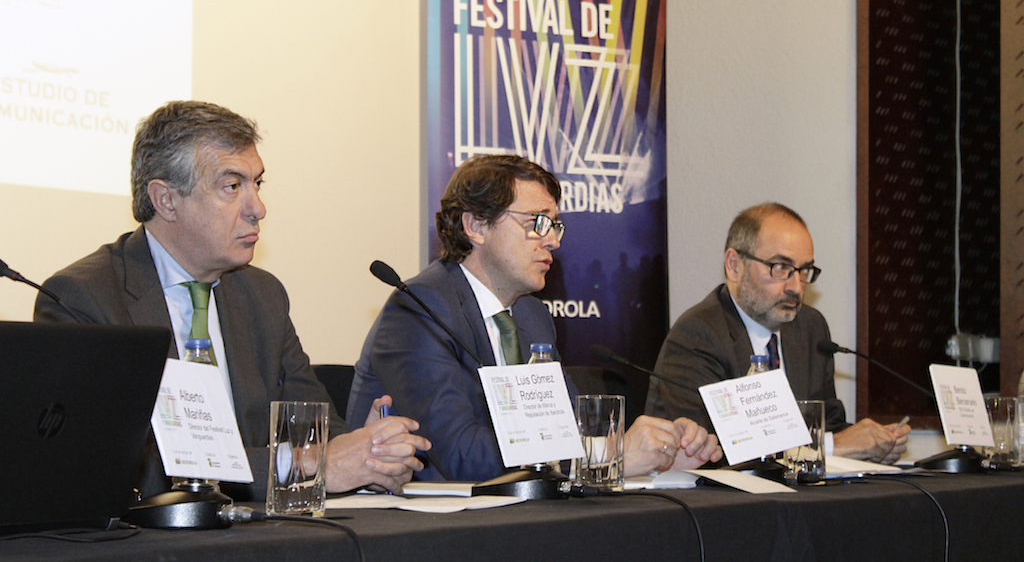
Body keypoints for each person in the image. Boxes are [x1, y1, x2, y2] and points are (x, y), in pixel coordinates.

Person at [34, 100, 429, 498]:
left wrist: (371, 453)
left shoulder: (262, 295)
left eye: (257, 183)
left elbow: (315, 430)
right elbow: (121, 467)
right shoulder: (85, 298)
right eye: (232, 186)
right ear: (166, 200)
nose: (258, 208)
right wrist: (299, 466)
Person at [347, 154, 722, 481]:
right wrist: (608, 455)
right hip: (432, 522)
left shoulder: (531, 315)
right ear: (476, 226)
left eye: (554, 225)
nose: (553, 240)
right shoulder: (420, 308)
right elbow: (462, 456)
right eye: (537, 221)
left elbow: (567, 432)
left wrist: (662, 457)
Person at [645, 202, 911, 464]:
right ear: (734, 265)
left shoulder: (810, 328)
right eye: (781, 267)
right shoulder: (698, 334)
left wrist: (872, 443)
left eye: (804, 270)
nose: (796, 287)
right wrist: (833, 446)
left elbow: (827, 424)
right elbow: (711, 451)